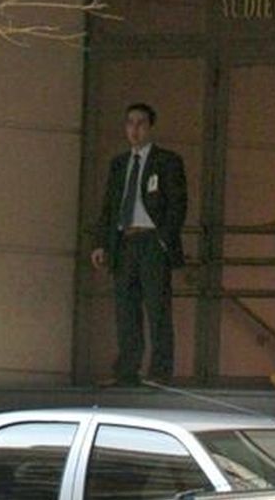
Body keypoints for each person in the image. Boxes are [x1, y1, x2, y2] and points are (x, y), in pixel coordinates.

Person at [91, 101, 188, 386]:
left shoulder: (167, 161)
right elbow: (109, 207)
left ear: (150, 127)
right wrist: (102, 243)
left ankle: (159, 371)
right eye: (130, 123)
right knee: (126, 308)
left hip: (151, 241)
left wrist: (163, 239)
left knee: (157, 308)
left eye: (140, 124)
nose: (134, 129)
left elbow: (178, 204)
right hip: (125, 242)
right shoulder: (120, 164)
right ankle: (127, 370)